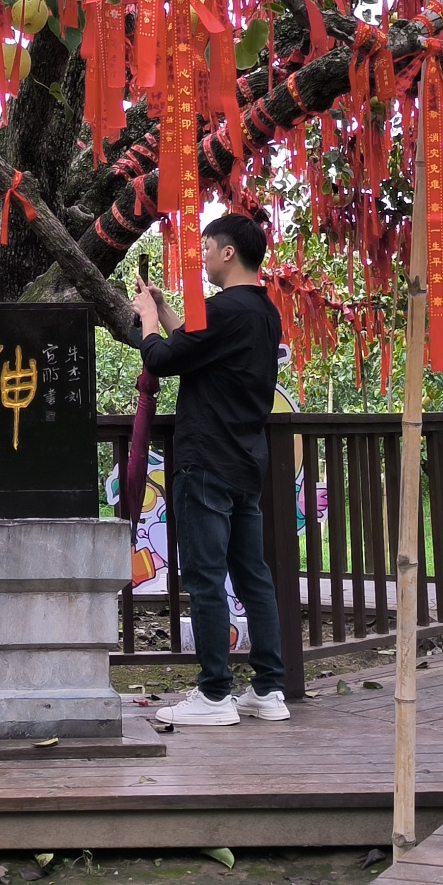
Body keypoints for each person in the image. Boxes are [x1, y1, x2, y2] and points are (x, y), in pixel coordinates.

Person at [129, 213, 289, 727]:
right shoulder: (263, 312)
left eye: (205, 248)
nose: (200, 257)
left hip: (206, 463)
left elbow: (163, 359)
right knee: (253, 576)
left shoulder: (223, 310)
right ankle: (268, 689)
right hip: (244, 462)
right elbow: (197, 347)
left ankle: (215, 694)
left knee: (204, 576)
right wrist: (167, 309)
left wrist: (148, 323)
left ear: (227, 253)